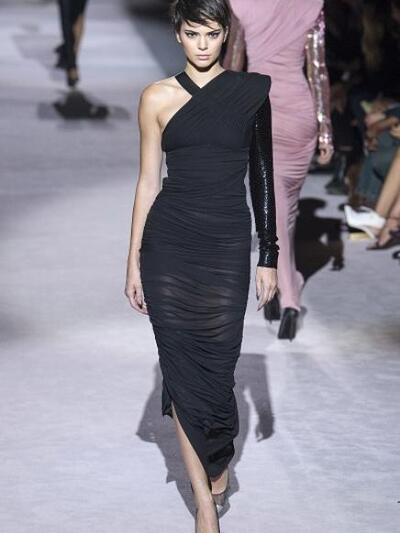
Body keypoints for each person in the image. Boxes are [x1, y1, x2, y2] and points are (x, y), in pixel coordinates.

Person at [124, 1, 279, 531]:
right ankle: (204, 506)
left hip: (226, 244)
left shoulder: (251, 92)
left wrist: (268, 255)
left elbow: (262, 175)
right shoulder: (156, 97)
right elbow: (148, 181)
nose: (204, 44)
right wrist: (132, 261)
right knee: (181, 369)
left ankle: (217, 459)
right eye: (193, 33)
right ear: (178, 35)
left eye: (212, 33)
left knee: (218, 370)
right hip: (168, 244)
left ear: (226, 34)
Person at [223, 0, 334, 340]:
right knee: (286, 208)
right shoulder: (310, 5)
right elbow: (318, 71)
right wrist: (325, 129)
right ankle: (289, 282)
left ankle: (289, 299)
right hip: (301, 112)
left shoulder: (241, 4)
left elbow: (233, 65)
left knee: (277, 208)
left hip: (261, 108)